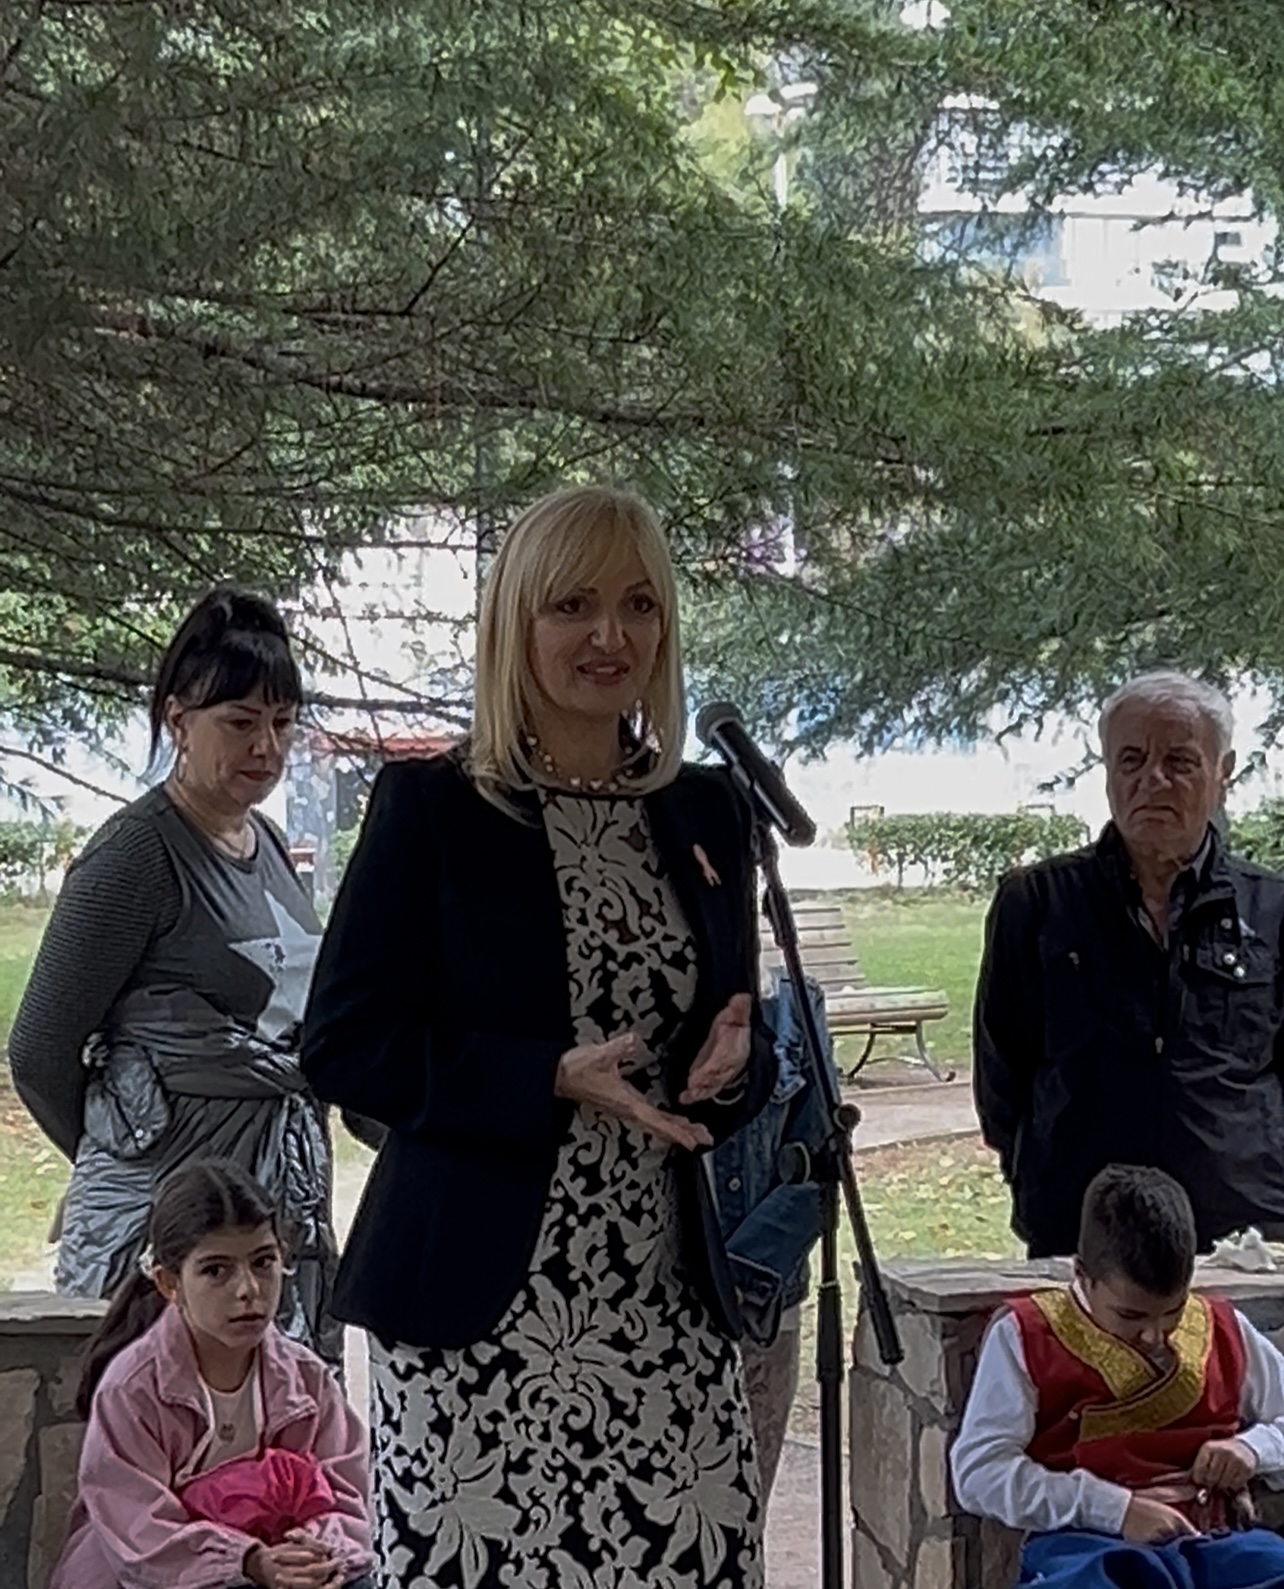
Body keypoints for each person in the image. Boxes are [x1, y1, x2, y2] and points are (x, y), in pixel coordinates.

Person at [303, 483, 775, 1588]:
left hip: (661, 1296)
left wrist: (731, 1067)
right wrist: (544, 1076)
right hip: (477, 1313)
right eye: (573, 605)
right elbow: (344, 1042)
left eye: (639, 605)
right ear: (517, 624)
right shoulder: (434, 807)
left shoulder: (707, 810)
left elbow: (730, 1043)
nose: (611, 635)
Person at [10, 588, 339, 1365]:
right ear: (178, 719)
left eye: (282, 723)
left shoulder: (268, 843)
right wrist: (119, 1157)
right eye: (240, 722)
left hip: (268, 1224)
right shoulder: (135, 855)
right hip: (164, 1236)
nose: (266, 746)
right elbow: (40, 1050)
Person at [974, 670, 1284, 1258]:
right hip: (1081, 1229)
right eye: (1131, 760)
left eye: (1179, 761)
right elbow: (1002, 1080)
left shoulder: (1272, 908)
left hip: (1245, 1234)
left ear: (1224, 771)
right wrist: (1035, 1168)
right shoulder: (1036, 903)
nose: (1152, 780)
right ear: (1108, 771)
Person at [950, 1164, 1284, 1588]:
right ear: (1082, 1275)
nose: (1155, 1335)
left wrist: (1253, 1448)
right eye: (1131, 1315)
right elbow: (980, 1472)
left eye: (1173, 1311)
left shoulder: (1223, 1327)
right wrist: (1116, 1510)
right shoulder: (1027, 1335)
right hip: (1093, 1548)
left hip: (1218, 1545)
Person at [51, 1159, 374, 1589]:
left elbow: (350, 1498)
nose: (248, 1290)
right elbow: (139, 1534)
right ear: (169, 1283)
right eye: (216, 1270)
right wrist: (248, 1561)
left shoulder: (307, 1381)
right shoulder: (132, 1391)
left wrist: (314, 1552)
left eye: (263, 1262)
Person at [714, 970, 833, 1498]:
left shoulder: (793, 1004)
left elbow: (821, 1160)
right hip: (647, 1312)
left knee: (744, 1506)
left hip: (759, 1309)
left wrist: (742, 1276)